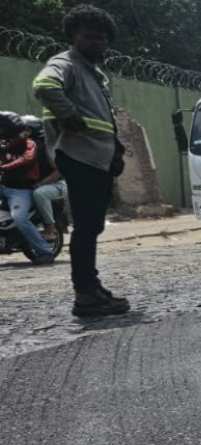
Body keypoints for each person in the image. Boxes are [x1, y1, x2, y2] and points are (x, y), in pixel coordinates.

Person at [33, 4, 130, 317]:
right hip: (80, 156)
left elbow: (102, 119)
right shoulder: (66, 63)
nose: (97, 43)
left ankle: (92, 287)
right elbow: (44, 86)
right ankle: (85, 294)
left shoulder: (93, 72)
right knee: (87, 227)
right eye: (89, 37)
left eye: (102, 38)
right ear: (73, 36)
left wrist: (114, 150)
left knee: (93, 226)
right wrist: (69, 116)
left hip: (97, 157)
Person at [0, 113, 55, 264]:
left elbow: (27, 159)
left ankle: (45, 251)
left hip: (20, 190)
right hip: (4, 186)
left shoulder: (30, 144)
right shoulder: (5, 143)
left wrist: (4, 167)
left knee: (19, 218)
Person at [23, 115, 67, 243]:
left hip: (59, 184)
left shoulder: (47, 148)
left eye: (25, 129)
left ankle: (50, 229)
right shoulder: (24, 147)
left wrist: (41, 183)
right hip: (37, 184)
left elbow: (59, 171)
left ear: (32, 131)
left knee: (40, 193)